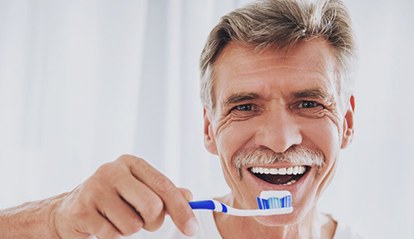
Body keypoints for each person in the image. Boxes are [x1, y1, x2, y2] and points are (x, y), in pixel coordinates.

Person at [0, 0, 363, 238]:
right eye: (245, 107)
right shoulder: (132, 232)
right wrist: (52, 220)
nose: (280, 140)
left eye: (309, 103)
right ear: (209, 128)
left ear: (346, 122)